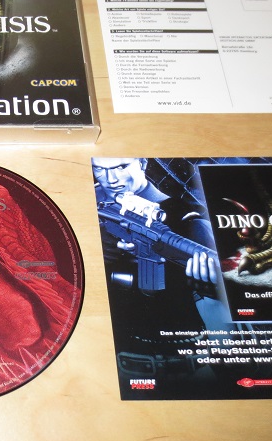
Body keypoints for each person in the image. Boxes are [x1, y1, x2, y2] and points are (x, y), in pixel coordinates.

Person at [93, 157, 229, 381]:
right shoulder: (90, 207)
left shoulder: (186, 219)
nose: (111, 179)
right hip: (112, 367)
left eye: (121, 166)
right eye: (99, 169)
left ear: (142, 163)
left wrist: (212, 292)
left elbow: (223, 331)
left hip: (186, 369)